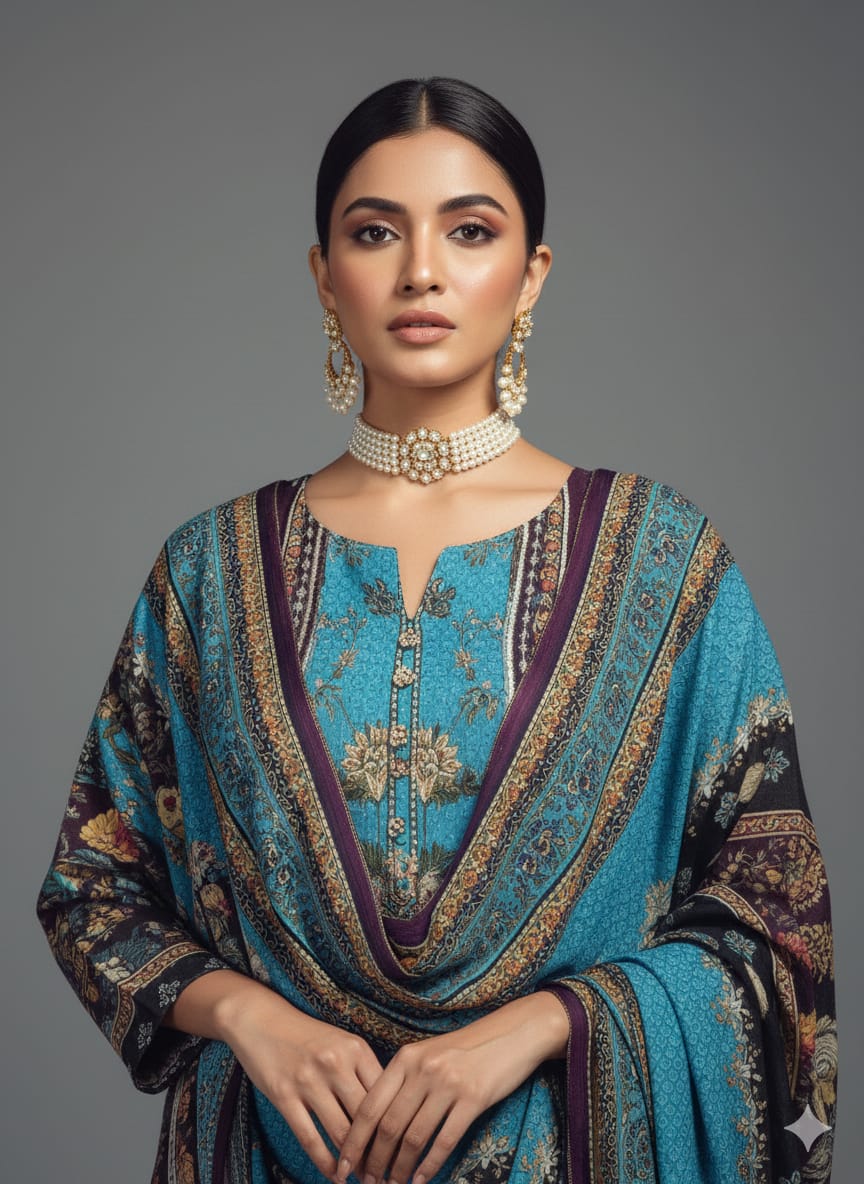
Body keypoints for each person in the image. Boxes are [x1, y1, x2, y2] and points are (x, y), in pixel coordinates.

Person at [36, 77, 837, 1184]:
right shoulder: (207, 574)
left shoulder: (665, 563)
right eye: (376, 232)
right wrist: (247, 1015)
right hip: (265, 1151)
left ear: (532, 272)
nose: (421, 270)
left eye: (470, 230)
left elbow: (774, 916)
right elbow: (93, 886)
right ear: (324, 273)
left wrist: (550, 1021)